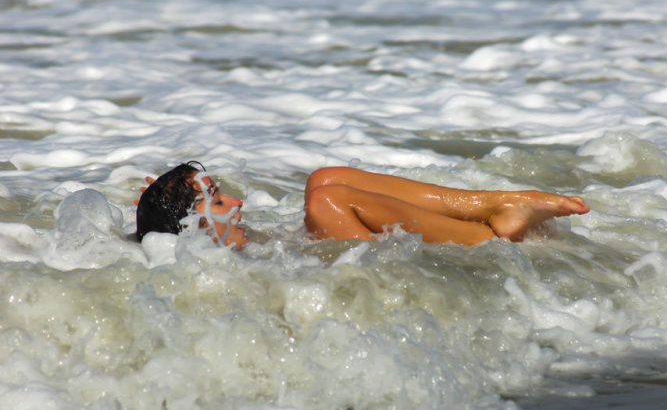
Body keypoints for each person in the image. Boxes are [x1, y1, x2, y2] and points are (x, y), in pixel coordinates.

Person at [136, 162, 590, 249]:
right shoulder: (218, 268)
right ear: (193, 227)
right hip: (363, 273)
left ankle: (495, 203)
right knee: (326, 203)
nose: (235, 201)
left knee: (324, 180)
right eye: (217, 199)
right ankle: (491, 234)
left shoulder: (229, 241)